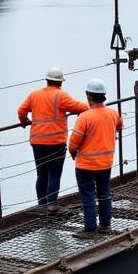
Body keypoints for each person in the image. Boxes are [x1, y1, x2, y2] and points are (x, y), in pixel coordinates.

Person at [17, 66, 88, 206]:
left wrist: (25, 121)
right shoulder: (60, 95)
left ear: (47, 80)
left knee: (41, 175)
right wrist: (93, 107)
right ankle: (52, 204)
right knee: (54, 175)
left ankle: (42, 205)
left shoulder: (34, 95)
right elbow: (79, 107)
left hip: (37, 141)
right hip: (56, 142)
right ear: (60, 82)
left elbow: (21, 110)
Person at [68, 78, 123, 238]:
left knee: (88, 195)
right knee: (104, 194)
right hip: (106, 163)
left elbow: (73, 143)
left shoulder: (85, 117)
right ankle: (105, 226)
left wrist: (73, 153)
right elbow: (119, 126)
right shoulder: (113, 113)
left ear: (89, 96)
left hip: (86, 165)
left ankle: (90, 230)